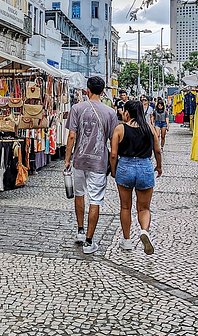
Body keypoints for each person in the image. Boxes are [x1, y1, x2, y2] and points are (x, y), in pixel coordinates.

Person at [64, 76, 118, 254]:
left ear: (87, 90)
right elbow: (113, 141)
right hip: (98, 162)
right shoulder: (110, 112)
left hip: (79, 159)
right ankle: (89, 241)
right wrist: (114, 165)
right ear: (103, 92)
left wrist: (67, 159)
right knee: (95, 199)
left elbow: (72, 136)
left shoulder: (76, 108)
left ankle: (80, 231)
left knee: (79, 194)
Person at [110, 100, 163, 254]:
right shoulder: (149, 128)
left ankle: (127, 240)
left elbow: (113, 154)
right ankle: (144, 231)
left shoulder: (120, 129)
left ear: (127, 112)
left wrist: (114, 171)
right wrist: (158, 166)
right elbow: (158, 150)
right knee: (144, 207)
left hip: (125, 168)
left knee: (125, 207)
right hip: (145, 168)